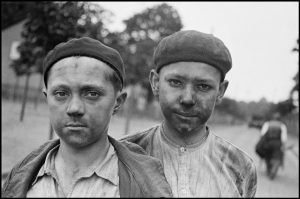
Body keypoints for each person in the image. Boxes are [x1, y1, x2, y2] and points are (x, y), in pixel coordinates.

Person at [1, 37, 172, 197]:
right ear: (47, 98)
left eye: (92, 94)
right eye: (61, 93)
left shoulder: (146, 184)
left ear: (117, 102)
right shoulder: (20, 177)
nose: (74, 108)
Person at [121, 30, 257, 197]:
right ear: (155, 82)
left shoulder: (240, 167)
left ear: (220, 91)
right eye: (176, 82)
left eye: (203, 86)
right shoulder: (122, 155)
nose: (187, 99)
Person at [255, 113, 288, 179]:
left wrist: (261, 143)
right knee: (276, 158)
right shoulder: (282, 125)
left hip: (268, 143)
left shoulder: (267, 124)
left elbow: (262, 134)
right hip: (277, 144)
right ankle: (273, 171)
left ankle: (268, 170)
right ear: (279, 119)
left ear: (272, 118)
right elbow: (284, 138)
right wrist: (283, 146)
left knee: (267, 156)